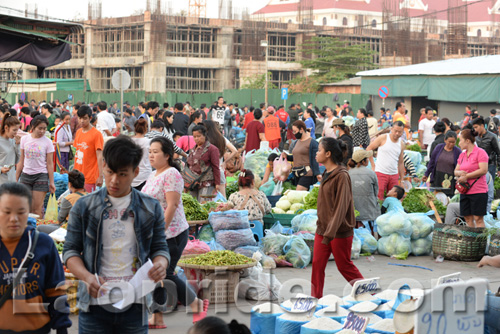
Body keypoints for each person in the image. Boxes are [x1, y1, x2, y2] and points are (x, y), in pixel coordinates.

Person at [63, 136, 170, 333]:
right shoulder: (84, 206)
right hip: (94, 306)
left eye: (122, 174)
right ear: (103, 165)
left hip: (135, 305)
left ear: (135, 172)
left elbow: (160, 247)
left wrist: (161, 264)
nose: (114, 181)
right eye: (110, 172)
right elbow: (70, 251)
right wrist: (87, 276)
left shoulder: (150, 207)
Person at [142, 137, 208, 328]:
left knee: (165, 272)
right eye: (150, 151)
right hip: (156, 233)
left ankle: (195, 304)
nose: (151, 155)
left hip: (171, 233)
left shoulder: (171, 174)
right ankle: (157, 317)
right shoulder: (153, 174)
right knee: (156, 273)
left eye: (156, 152)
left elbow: (171, 206)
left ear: (168, 155)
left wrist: (160, 232)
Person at [0, 183, 71, 333]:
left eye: (21, 212)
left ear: (29, 213)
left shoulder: (43, 244)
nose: (14, 219)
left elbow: (56, 290)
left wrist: (62, 327)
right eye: (6, 212)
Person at [312, 137, 364, 298]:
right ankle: (316, 299)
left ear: (328, 154)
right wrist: (324, 229)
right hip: (323, 228)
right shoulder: (326, 173)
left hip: (339, 231)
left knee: (344, 266)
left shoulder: (342, 176)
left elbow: (341, 208)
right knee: (317, 264)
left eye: (319, 150)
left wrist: (330, 233)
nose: (316, 153)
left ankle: (370, 293)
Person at [16, 115, 55, 216]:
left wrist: (51, 182)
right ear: (33, 127)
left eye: (44, 129)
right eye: (40, 128)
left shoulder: (48, 142)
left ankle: (37, 230)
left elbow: (50, 164)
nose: (42, 131)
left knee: (37, 209)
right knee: (25, 207)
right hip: (26, 175)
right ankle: (25, 230)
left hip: (41, 176)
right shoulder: (24, 139)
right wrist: (16, 179)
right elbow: (21, 161)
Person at [454, 129, 489, 228]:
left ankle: (480, 242)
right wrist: (460, 173)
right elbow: (455, 171)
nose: (459, 143)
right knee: (468, 218)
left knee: (478, 219)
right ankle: (471, 241)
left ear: (467, 141)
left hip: (478, 191)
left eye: (460, 140)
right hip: (464, 191)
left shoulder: (480, 152)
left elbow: (483, 170)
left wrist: (466, 176)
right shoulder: (462, 155)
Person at [366, 121, 405, 201]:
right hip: (380, 172)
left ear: (402, 132)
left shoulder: (401, 143)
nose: (397, 133)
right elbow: (369, 149)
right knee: (378, 198)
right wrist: (373, 165)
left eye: (400, 132)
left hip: (394, 174)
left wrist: (402, 180)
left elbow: (401, 162)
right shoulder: (383, 138)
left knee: (393, 199)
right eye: (395, 131)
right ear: (391, 129)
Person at [227, 170, 271, 234]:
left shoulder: (234, 196)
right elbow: (268, 210)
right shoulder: (261, 195)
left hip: (240, 232)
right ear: (253, 182)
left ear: (240, 183)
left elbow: (229, 212)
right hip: (258, 231)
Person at [185, 125, 221, 201]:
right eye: (194, 136)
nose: (196, 138)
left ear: (204, 135)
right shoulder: (193, 150)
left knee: (204, 206)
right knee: (193, 206)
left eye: (199, 136)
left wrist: (217, 183)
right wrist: (186, 184)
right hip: (193, 183)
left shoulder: (212, 149)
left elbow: (216, 166)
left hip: (206, 183)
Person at [73, 105, 104, 193]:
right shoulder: (78, 132)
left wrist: (100, 176)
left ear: (90, 118)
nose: (82, 121)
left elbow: (99, 156)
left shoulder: (96, 134)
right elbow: (77, 152)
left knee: (88, 203)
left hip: (89, 177)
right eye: (80, 118)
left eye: (85, 118)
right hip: (77, 176)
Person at [284, 121, 320, 191]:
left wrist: (317, 174)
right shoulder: (296, 142)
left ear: (301, 129)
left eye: (295, 131)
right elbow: (296, 157)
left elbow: (315, 159)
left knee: (298, 194)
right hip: (297, 173)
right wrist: (287, 157)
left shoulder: (312, 142)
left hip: (307, 173)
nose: (294, 134)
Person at [204, 120, 236, 199]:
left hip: (207, 172)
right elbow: (234, 150)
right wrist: (225, 162)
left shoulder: (205, 140)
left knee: (207, 199)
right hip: (219, 170)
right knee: (223, 198)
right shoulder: (222, 138)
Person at [423, 131, 461, 196]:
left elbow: (459, 166)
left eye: (453, 142)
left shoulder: (458, 151)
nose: (451, 144)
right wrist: (426, 174)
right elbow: (432, 162)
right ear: (445, 140)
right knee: (435, 197)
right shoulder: (438, 148)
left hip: (450, 180)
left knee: (447, 198)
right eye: (449, 142)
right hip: (437, 177)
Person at [348, 149, 380, 226]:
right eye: (367, 158)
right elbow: (376, 192)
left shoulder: (348, 173)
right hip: (369, 212)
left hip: (353, 212)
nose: (368, 160)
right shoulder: (371, 173)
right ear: (363, 161)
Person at [131, 118, 152, 191]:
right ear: (146, 129)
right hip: (145, 175)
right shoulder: (149, 142)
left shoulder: (129, 141)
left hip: (130, 175)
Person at [0, 113, 20, 185]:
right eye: (14, 130)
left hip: (11, 179)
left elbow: (17, 160)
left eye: (17, 130)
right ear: (6, 128)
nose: (16, 133)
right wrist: (1, 169)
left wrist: (18, 145)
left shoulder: (12, 140)